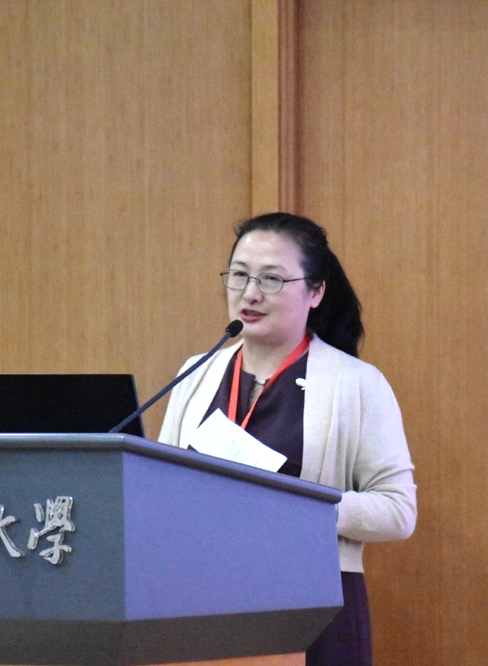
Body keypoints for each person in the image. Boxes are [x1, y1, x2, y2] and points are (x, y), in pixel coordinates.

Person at [158, 212, 417, 665]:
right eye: (239, 275)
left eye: (272, 279)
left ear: (316, 292)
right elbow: (160, 490)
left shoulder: (357, 384)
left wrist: (299, 509)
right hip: (200, 597)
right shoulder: (195, 374)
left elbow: (399, 511)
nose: (250, 293)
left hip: (312, 606)